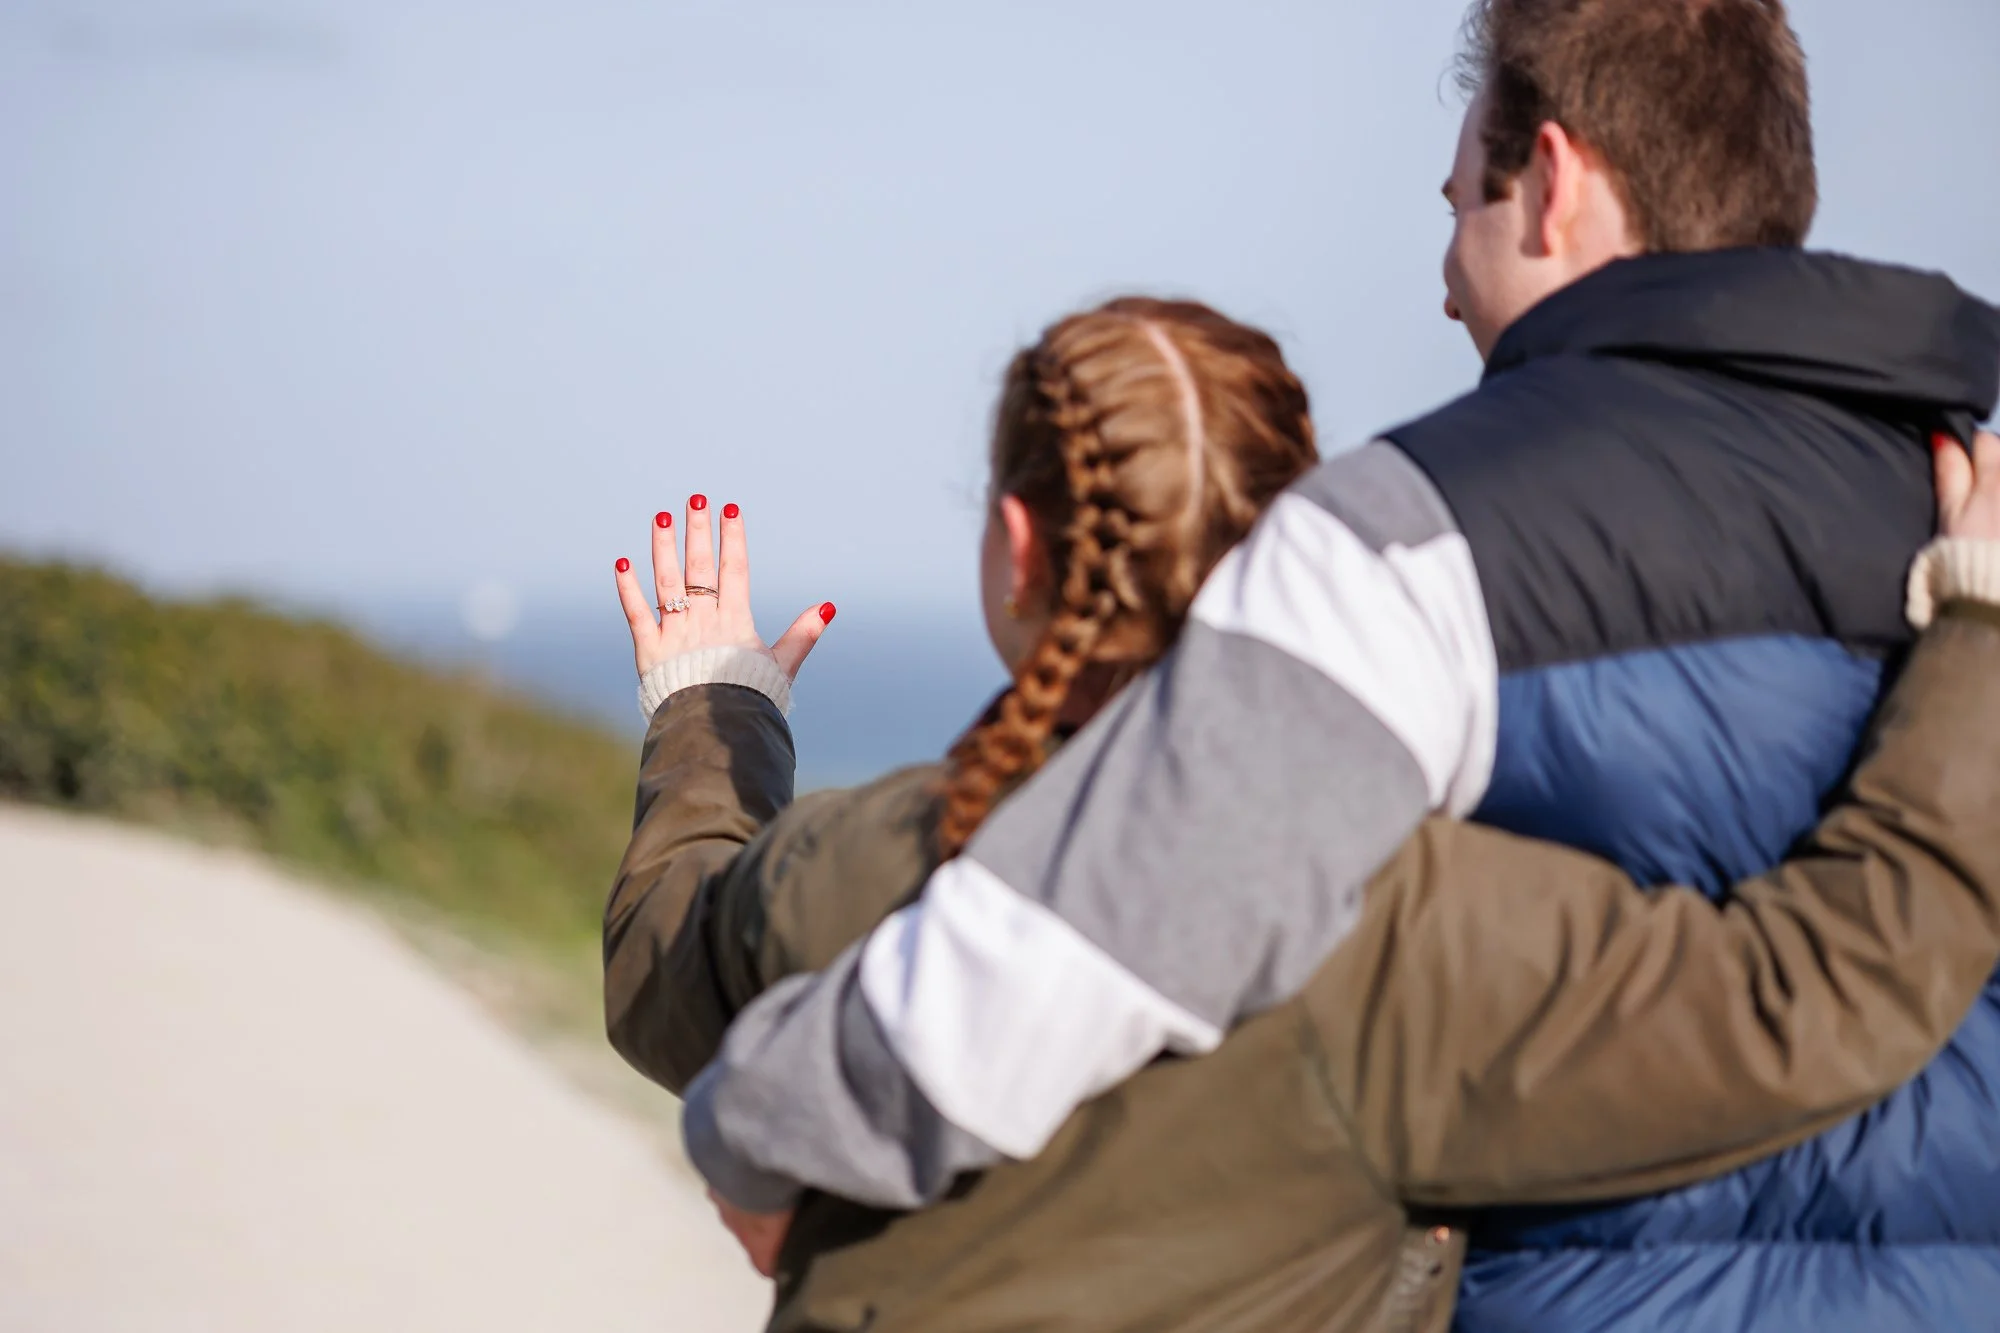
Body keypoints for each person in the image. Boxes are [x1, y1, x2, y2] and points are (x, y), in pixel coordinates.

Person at [670, 3, 2000, 1329]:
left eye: (1459, 208)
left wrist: (762, 1130)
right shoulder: (1962, 517)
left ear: (1551, 182)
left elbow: (1077, 951)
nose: (1440, 276)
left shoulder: (1421, 534)